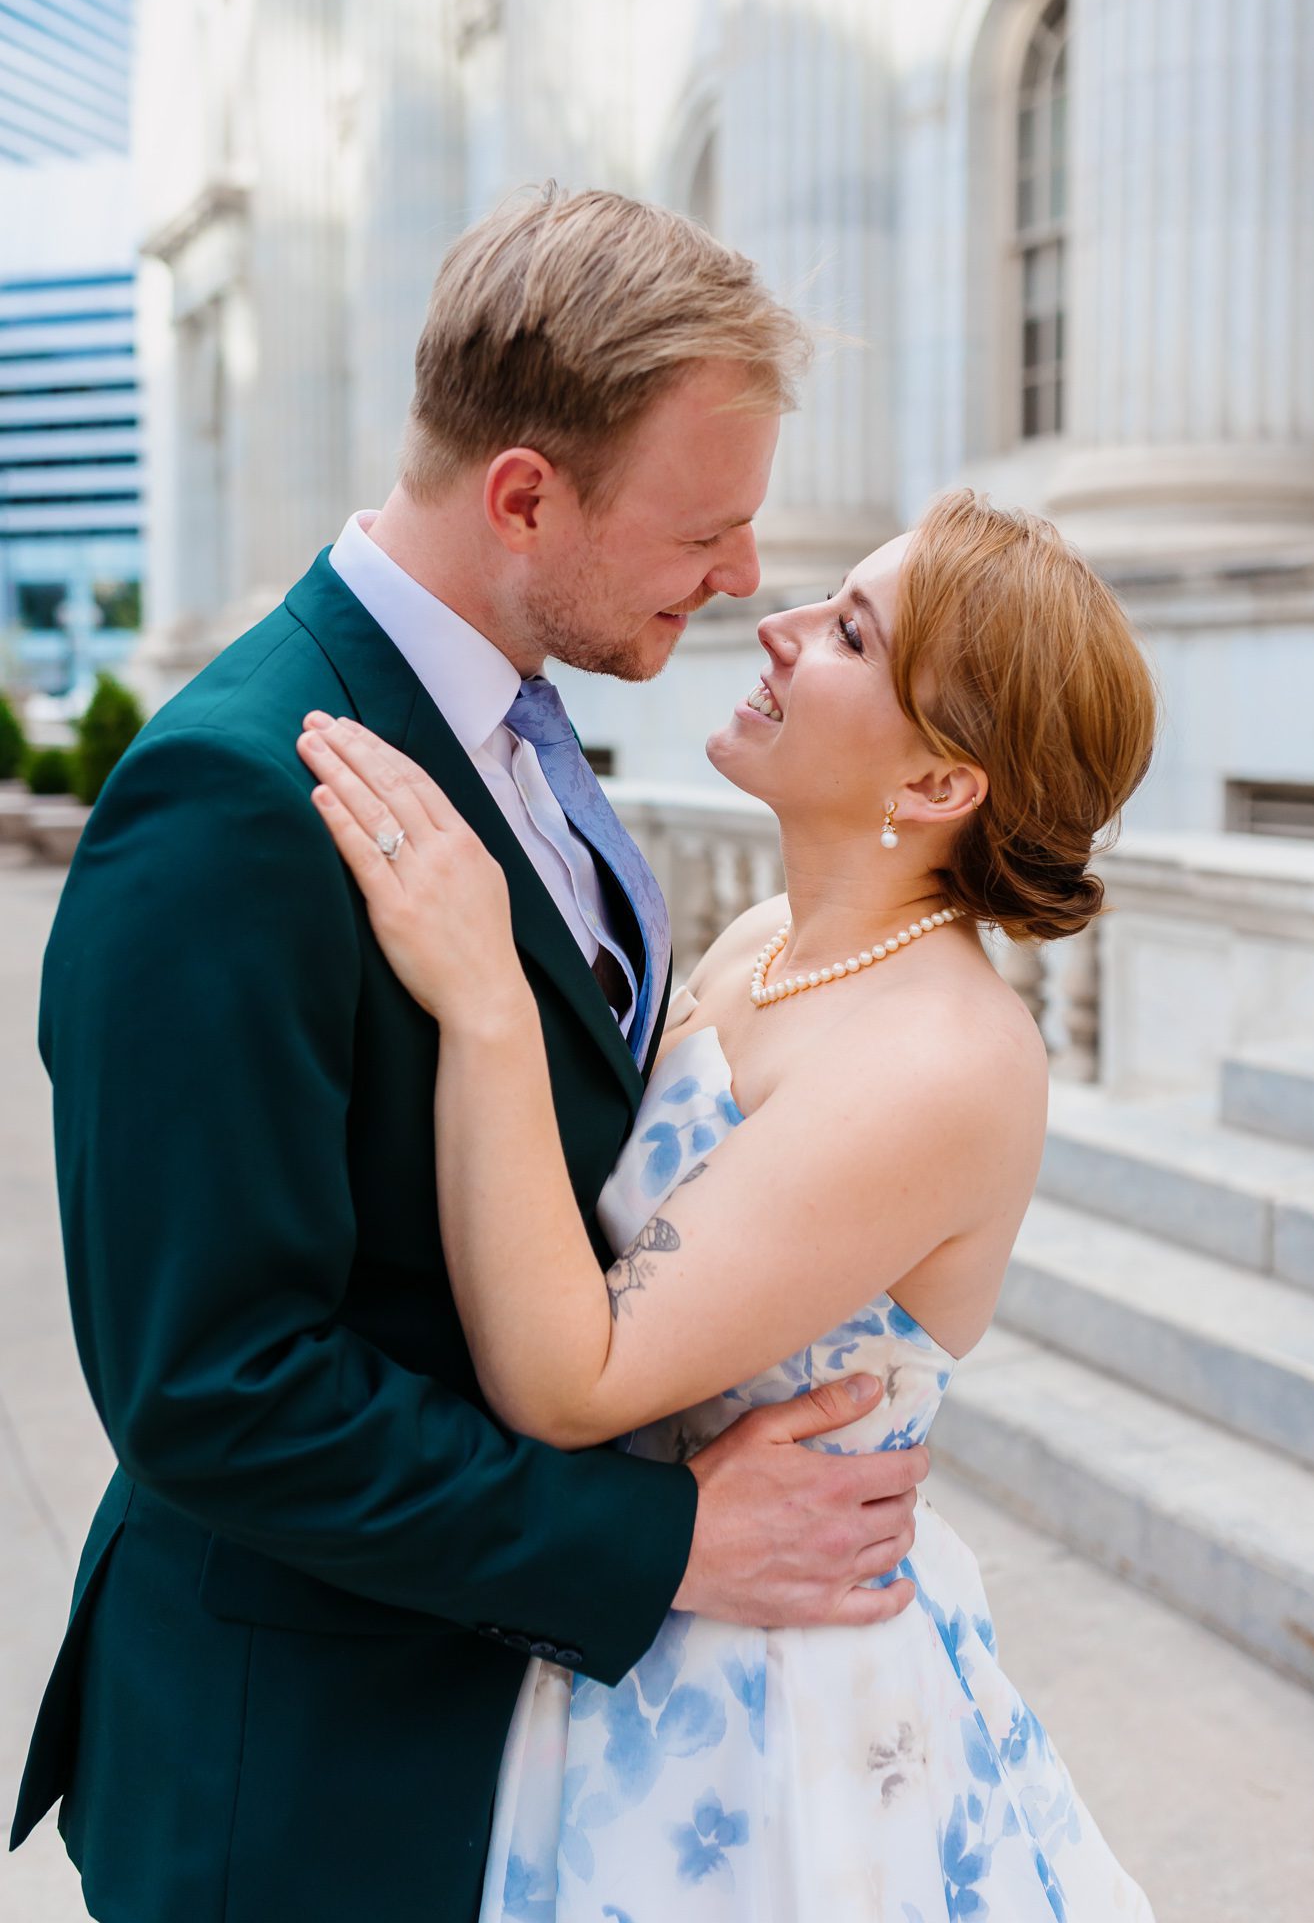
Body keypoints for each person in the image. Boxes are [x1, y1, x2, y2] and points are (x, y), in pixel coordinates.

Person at [8, 189, 928, 1923]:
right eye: (704, 529)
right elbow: (213, 1384)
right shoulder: (231, 804)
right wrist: (656, 1548)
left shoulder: (513, 710)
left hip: (509, 1745)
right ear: (524, 496)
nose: (742, 580)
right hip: (302, 1778)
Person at [295, 486, 1161, 1921]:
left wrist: (487, 1002)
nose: (775, 625)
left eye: (848, 635)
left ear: (940, 786)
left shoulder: (936, 1060)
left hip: (774, 1720)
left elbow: (577, 1380)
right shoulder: (770, 942)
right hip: (639, 1628)